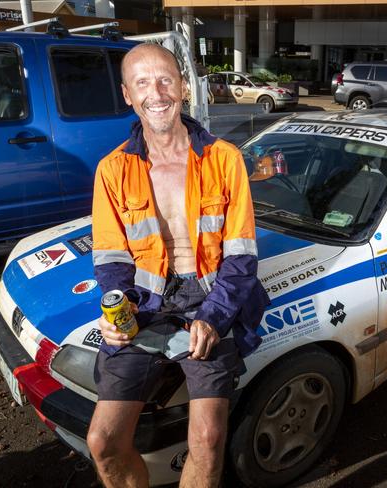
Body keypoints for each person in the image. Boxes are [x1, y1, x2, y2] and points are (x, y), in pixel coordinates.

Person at [87, 43, 269, 488]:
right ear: (127, 94)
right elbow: (111, 257)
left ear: (184, 87)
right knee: (103, 441)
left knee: (208, 438)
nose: (157, 92)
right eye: (142, 83)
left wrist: (213, 317)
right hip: (145, 306)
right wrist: (121, 309)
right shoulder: (112, 170)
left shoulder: (224, 159)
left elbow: (242, 255)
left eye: (166, 79)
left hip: (209, 299)